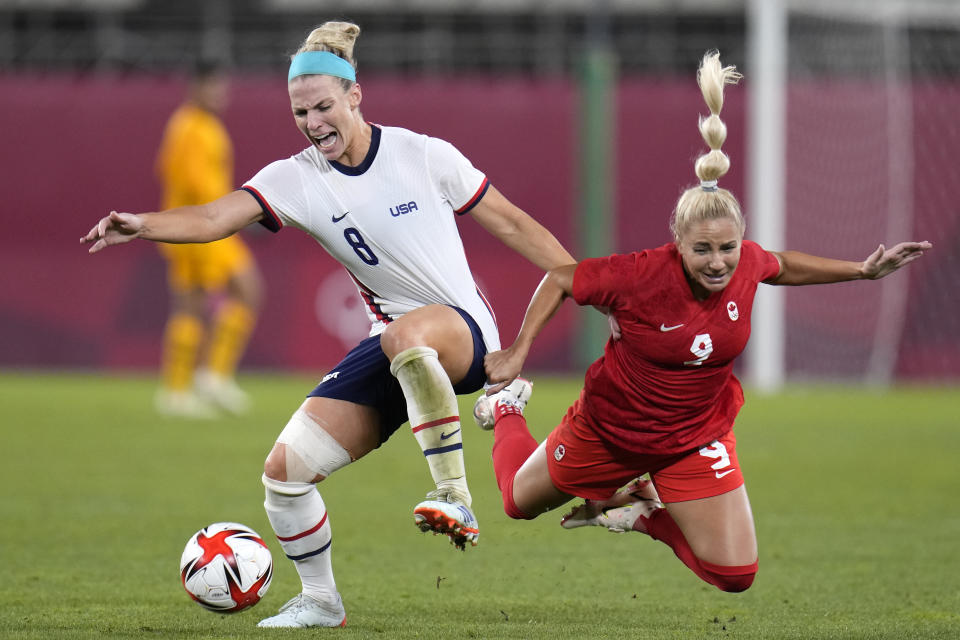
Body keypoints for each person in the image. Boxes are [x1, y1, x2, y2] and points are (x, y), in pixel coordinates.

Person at [82, 21, 576, 628]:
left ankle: (454, 494)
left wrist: (576, 292)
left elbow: (516, 225)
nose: (314, 123)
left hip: (463, 333)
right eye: (300, 113)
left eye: (323, 107)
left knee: (404, 336)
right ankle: (321, 600)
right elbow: (216, 216)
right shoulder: (297, 178)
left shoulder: (423, 155)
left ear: (355, 96)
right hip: (394, 346)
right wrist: (143, 223)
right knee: (283, 477)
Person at [475, 50, 932, 595]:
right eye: (703, 250)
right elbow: (561, 279)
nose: (718, 262)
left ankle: (642, 511)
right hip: (609, 431)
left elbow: (781, 265)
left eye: (728, 248)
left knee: (735, 576)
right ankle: (507, 409)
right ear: (678, 244)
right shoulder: (638, 276)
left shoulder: (746, 264)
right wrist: (518, 352)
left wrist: (862, 270)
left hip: (694, 436)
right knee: (514, 503)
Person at [154, 59, 264, 418]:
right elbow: (191, 182)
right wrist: (232, 214)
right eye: (213, 87)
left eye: (222, 87)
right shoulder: (188, 127)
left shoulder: (205, 126)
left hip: (213, 225)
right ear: (196, 87)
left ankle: (206, 379)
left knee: (236, 294)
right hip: (197, 228)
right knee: (196, 303)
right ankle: (180, 389)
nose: (220, 94)